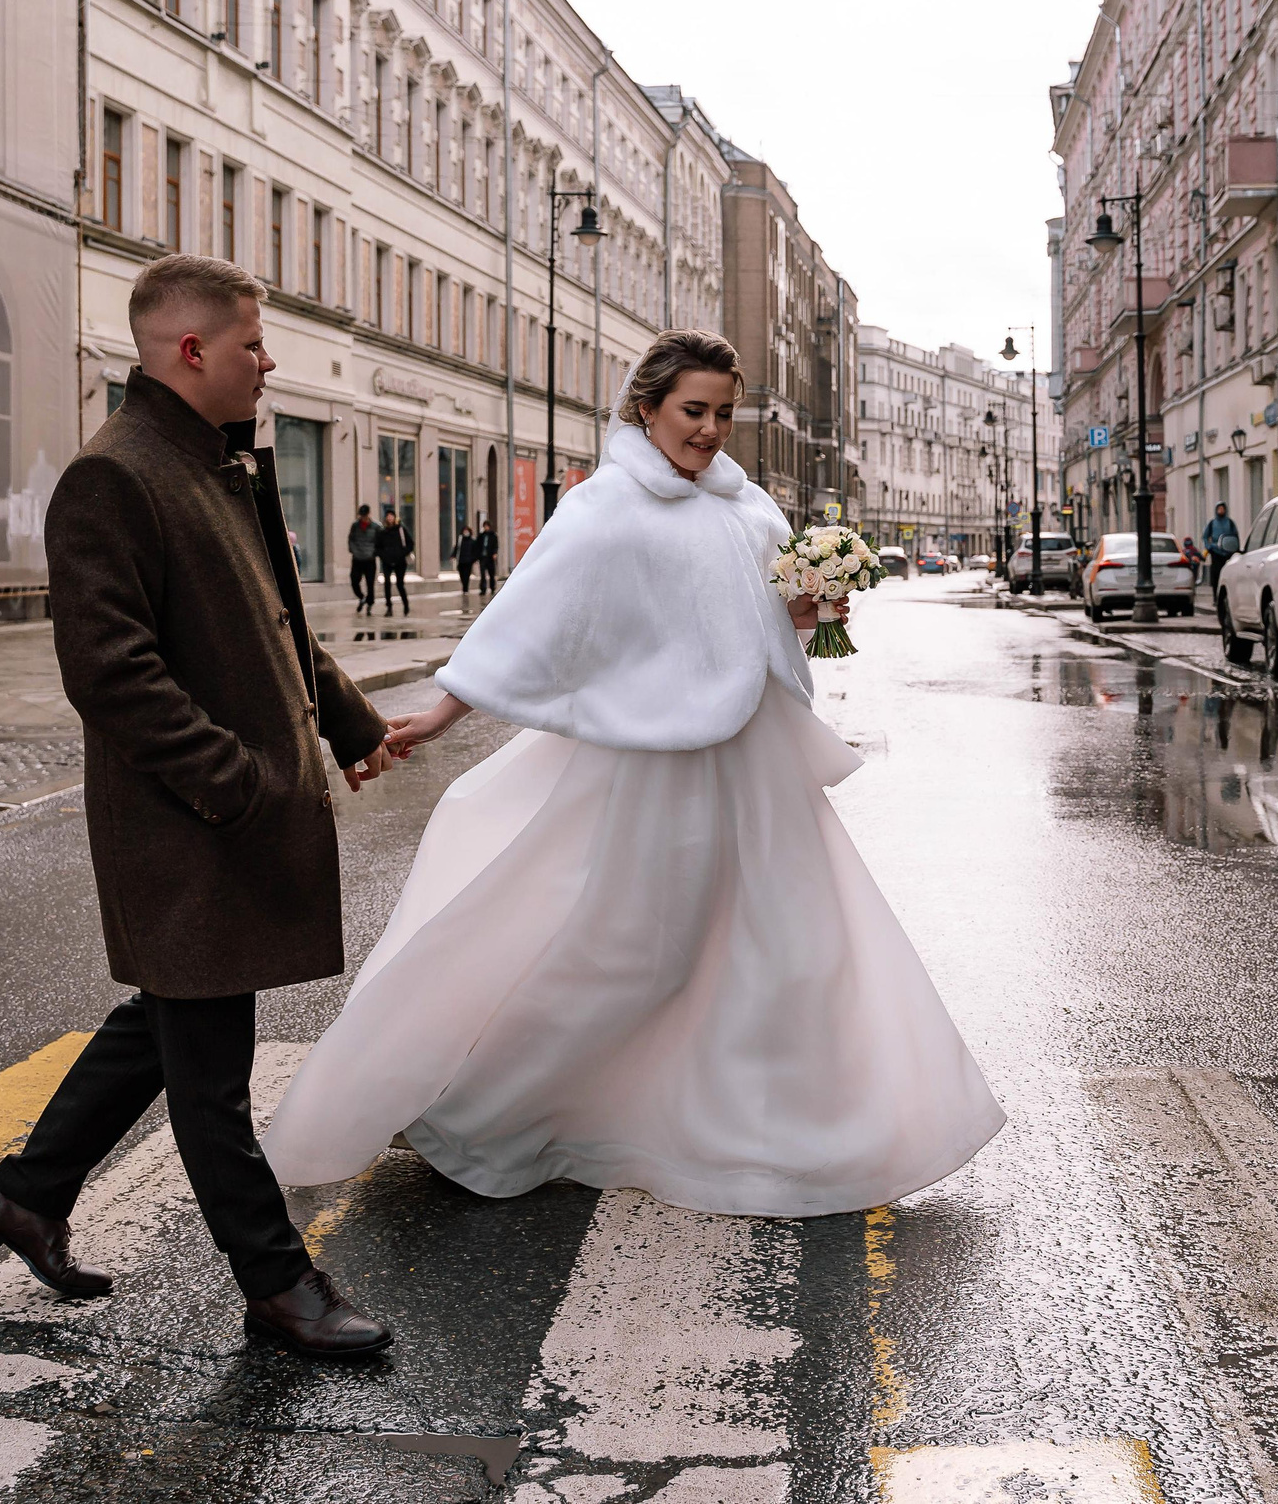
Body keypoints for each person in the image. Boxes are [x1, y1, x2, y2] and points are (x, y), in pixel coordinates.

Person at [262, 328, 1004, 1217]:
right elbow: (531, 620)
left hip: (755, 769)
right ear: (646, 407)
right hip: (653, 770)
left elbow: (765, 625)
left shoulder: (750, 509)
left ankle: (791, 1132)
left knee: (790, 948)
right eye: (693, 410)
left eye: (723, 413)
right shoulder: (604, 508)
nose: (710, 430)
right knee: (632, 956)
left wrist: (815, 608)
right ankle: (481, 1109)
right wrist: (441, 711)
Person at [0, 253, 397, 1361]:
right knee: (210, 1076)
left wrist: (349, 723)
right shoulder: (115, 475)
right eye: (252, 342)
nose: (269, 360)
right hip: (186, 824)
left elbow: (278, 625)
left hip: (218, 818)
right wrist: (236, 780)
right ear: (192, 350)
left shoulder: (216, 461)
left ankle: (27, 1196)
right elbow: (111, 673)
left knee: (167, 1021)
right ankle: (279, 1286)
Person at [1201, 499, 1241, 616]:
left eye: (1222, 508)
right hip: (1216, 552)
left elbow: (1235, 536)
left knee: (1228, 575)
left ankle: (1227, 596)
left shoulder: (1230, 523)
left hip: (1227, 552)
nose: (1221, 510)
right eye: (1219, 509)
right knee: (1216, 575)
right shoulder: (1212, 523)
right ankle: (1216, 597)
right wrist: (1209, 546)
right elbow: (1205, 536)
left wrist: (1235, 547)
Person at [376, 508, 414, 616]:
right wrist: (383, 556)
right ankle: (389, 607)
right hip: (387, 562)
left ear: (394, 517)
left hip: (400, 562)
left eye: (391, 516)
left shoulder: (401, 529)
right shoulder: (383, 532)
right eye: (388, 516)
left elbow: (410, 544)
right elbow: (378, 547)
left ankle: (405, 604)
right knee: (387, 583)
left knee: (399, 584)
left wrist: (402, 553)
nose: (390, 518)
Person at [346, 506, 379, 615]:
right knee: (354, 581)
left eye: (365, 515)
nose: (363, 518)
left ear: (369, 514)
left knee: (370, 583)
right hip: (357, 559)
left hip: (370, 559)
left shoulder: (376, 526)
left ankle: (370, 604)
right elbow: (351, 539)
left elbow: (380, 542)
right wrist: (354, 551)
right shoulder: (355, 526)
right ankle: (361, 597)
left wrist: (374, 552)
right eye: (362, 516)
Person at [453, 520, 477, 606]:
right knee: (462, 575)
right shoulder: (460, 540)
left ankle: (465, 589)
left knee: (467, 575)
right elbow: (456, 548)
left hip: (468, 561)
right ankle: (464, 586)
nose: (465, 532)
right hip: (461, 560)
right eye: (464, 531)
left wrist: (473, 559)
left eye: (467, 531)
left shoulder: (472, 541)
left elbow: (475, 551)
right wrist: (453, 555)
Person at [476, 515, 499, 596]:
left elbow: (495, 546)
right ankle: (483, 589)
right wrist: (478, 555)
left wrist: (495, 553)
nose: (486, 528)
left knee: (491, 573)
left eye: (487, 526)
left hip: (490, 557)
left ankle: (492, 587)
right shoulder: (481, 536)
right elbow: (477, 546)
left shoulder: (493, 536)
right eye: (485, 526)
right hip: (483, 557)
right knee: (483, 574)